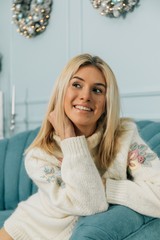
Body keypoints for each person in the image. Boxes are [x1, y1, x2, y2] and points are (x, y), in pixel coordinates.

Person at [0, 53, 160, 240]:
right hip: (21, 231)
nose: (85, 96)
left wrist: (108, 187)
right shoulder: (39, 155)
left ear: (107, 102)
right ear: (61, 93)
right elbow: (91, 204)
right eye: (76, 85)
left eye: (97, 90)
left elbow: (93, 203)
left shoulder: (124, 136)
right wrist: (70, 139)